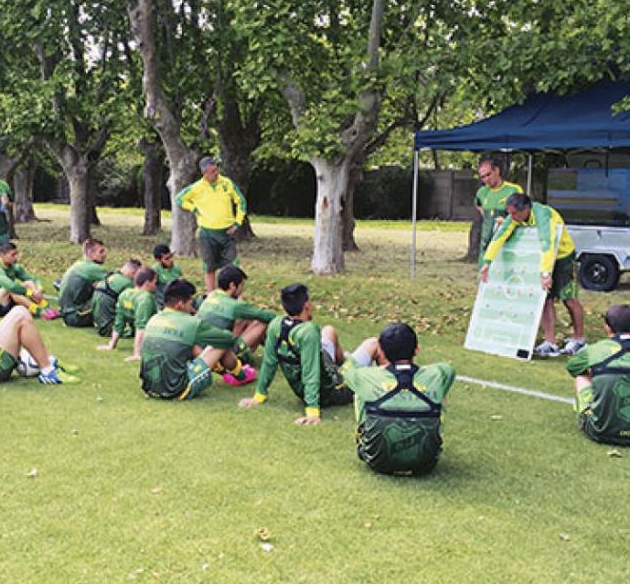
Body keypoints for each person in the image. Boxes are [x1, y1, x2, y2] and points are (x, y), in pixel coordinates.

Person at [480, 191, 587, 357]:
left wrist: (545, 274)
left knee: (569, 299)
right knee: (545, 299)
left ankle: (579, 339)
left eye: (514, 213)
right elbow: (500, 236)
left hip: (562, 257)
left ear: (526, 209)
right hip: (544, 260)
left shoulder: (543, 215)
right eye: (509, 213)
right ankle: (550, 342)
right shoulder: (515, 217)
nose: (512, 217)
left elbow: (547, 244)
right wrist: (487, 262)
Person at [342, 322, 456, 476]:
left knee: (360, 393)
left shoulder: (367, 376)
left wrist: (370, 347)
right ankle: (427, 441)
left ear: (381, 351)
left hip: (378, 461)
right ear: (417, 350)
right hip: (426, 464)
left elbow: (346, 369)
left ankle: (369, 440)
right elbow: (448, 370)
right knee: (438, 393)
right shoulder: (439, 373)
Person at [238, 282, 350, 424]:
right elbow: (311, 373)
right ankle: (347, 368)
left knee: (329, 331)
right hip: (332, 390)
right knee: (371, 344)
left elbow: (269, 362)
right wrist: (312, 412)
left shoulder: (276, 325)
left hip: (320, 372)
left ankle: (343, 361)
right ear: (307, 305)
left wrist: (258, 396)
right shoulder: (308, 332)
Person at [566, 304, 630, 446]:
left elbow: (572, 367)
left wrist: (595, 372)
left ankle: (594, 414)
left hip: (601, 432)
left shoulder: (596, 350)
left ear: (607, 327)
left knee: (581, 377)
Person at [140, 279, 252, 400]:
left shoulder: (154, 319)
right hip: (176, 390)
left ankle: (226, 371)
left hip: (149, 388)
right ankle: (240, 375)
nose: (191, 307)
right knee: (221, 344)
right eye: (190, 302)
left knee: (190, 344)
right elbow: (228, 339)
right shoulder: (191, 323)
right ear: (180, 304)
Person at [175, 156, 247, 293]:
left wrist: (237, 223)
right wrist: (193, 208)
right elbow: (179, 199)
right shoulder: (196, 187)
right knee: (209, 267)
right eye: (212, 171)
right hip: (207, 233)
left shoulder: (227, 183)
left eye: (216, 170)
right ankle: (211, 295)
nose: (216, 173)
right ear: (204, 173)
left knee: (232, 267)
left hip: (227, 232)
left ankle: (234, 296)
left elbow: (241, 201)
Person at [197, 265, 275, 366]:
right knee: (261, 322)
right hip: (224, 356)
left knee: (244, 319)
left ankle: (275, 353)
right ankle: (278, 353)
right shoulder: (235, 306)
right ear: (233, 285)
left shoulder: (210, 296)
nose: (242, 290)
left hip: (203, 352)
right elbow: (268, 316)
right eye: (241, 286)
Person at [97, 266, 158, 360]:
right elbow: (141, 327)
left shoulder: (125, 294)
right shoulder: (145, 299)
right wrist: (137, 353)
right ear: (147, 283)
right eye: (155, 282)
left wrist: (112, 344)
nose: (156, 285)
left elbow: (119, 322)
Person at [0, 242, 51, 317]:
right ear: (2, 255)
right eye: (13, 255)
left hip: (6, 301)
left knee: (29, 283)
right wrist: (30, 293)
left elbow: (33, 279)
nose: (16, 257)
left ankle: (47, 308)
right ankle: (39, 311)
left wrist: (39, 289)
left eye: (17, 254)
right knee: (11, 289)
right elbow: (11, 287)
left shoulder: (14, 267)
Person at [475, 158, 523, 265]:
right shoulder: (482, 192)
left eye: (488, 174)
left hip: (507, 242)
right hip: (486, 244)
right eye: (483, 177)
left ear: (497, 171)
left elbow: (523, 214)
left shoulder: (513, 190)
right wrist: (488, 218)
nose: (486, 179)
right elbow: (478, 205)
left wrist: (506, 221)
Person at [56, 238, 109, 327]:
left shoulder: (79, 264)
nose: (105, 254)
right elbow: (115, 282)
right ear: (90, 253)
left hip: (67, 315)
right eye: (101, 251)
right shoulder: (91, 268)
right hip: (76, 316)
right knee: (108, 294)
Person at [92, 259, 141, 337]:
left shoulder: (111, 277)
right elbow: (130, 309)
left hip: (98, 324)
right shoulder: (127, 283)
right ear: (133, 273)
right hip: (109, 328)